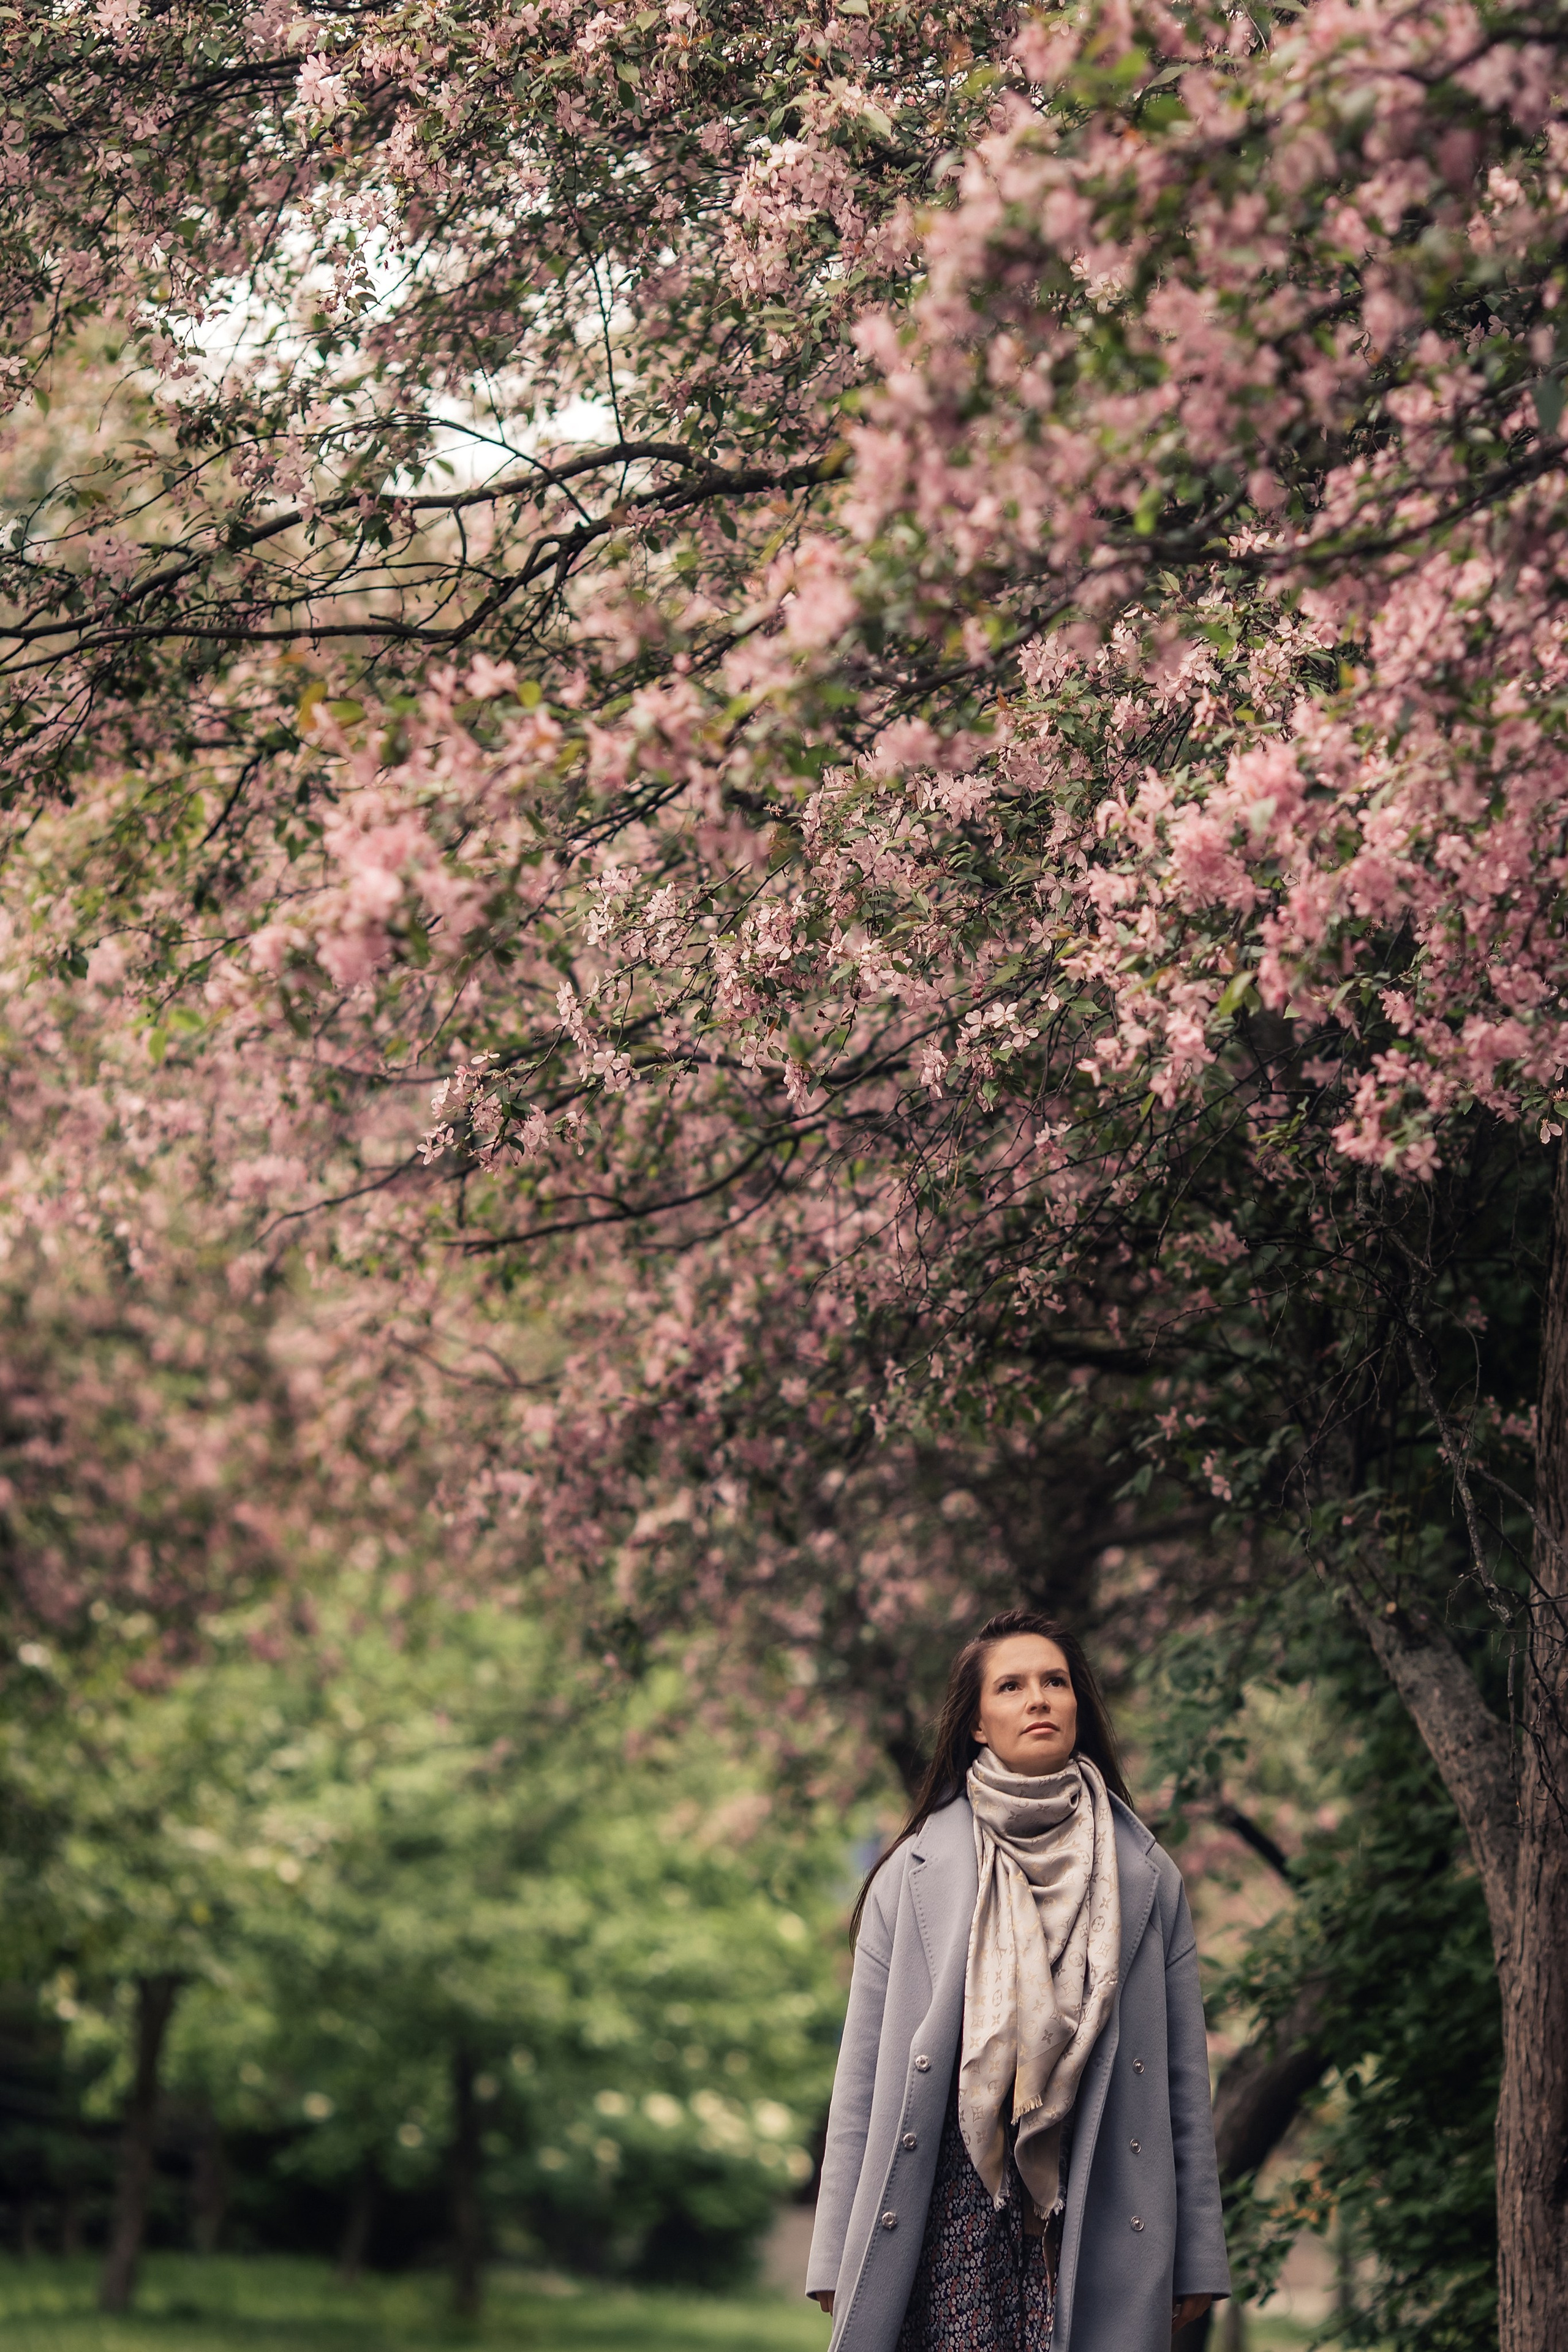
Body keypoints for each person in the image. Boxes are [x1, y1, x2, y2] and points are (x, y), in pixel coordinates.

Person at [805, 1608, 1230, 2352]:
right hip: (942, 2211)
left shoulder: (1145, 1876)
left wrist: (1198, 2253)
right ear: (976, 1722)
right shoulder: (908, 1877)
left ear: (1077, 1706)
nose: (1038, 1699)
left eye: (1054, 1682)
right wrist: (835, 2254)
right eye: (1011, 1685)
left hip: (1095, 2200)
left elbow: (1180, 2080)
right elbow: (861, 2080)